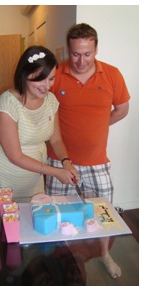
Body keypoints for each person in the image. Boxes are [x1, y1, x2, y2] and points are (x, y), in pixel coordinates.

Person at [46, 23, 130, 203]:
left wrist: (97, 124)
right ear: (68, 50)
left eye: (87, 54)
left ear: (96, 49)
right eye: (75, 54)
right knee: (60, 214)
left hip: (97, 162)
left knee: (103, 214)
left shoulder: (112, 74)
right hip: (60, 162)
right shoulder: (55, 75)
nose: (81, 61)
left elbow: (122, 109)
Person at [0, 45, 78, 199]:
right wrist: (55, 172)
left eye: (51, 78)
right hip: (4, 180)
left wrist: (66, 162)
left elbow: (56, 140)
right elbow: (15, 156)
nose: (47, 86)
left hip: (33, 181)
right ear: (25, 74)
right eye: (40, 79)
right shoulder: (8, 104)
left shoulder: (51, 101)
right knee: (5, 214)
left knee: (33, 211)